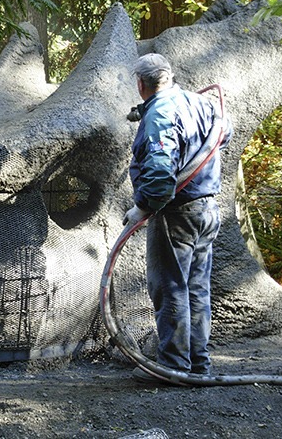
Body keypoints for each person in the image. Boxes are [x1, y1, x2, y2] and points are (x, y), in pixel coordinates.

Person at [124, 53, 232, 380]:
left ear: (141, 84)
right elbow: (222, 135)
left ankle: (172, 366)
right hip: (207, 209)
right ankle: (197, 364)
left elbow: (159, 175)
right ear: (169, 77)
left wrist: (142, 205)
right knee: (196, 287)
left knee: (170, 287)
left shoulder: (160, 113)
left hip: (177, 213)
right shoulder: (202, 104)